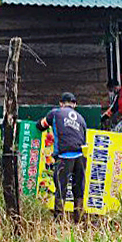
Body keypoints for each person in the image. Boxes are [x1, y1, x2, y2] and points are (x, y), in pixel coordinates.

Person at [38, 92, 88, 223]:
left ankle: (59, 222)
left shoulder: (55, 113)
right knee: (79, 188)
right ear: (75, 104)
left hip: (64, 156)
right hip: (81, 157)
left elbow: (41, 125)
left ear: (61, 103)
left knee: (61, 188)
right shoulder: (82, 119)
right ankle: (79, 220)